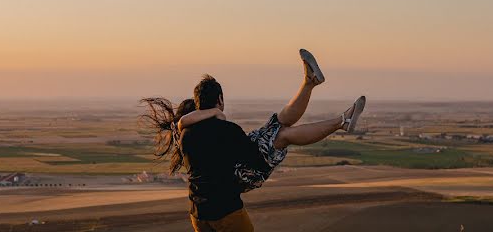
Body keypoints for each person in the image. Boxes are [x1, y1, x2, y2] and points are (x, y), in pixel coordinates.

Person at [141, 49, 366, 232]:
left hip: (198, 214)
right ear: (220, 99)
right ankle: (340, 121)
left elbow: (183, 123)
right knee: (282, 134)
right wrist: (271, 143)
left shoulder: (186, 133)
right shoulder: (226, 130)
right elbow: (252, 156)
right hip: (232, 200)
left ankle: (311, 84)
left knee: (277, 122)